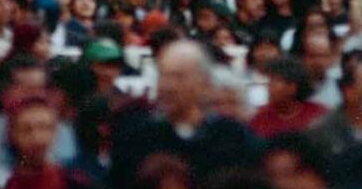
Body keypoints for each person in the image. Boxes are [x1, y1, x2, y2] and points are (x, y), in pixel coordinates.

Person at [110, 40, 260, 186]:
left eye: (178, 77)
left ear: (204, 82)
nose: (167, 86)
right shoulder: (138, 137)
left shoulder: (232, 137)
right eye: (163, 76)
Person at [249, 56, 326, 138]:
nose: (269, 86)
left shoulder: (318, 115)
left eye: (275, 80)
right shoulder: (259, 119)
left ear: (293, 86)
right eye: (269, 80)